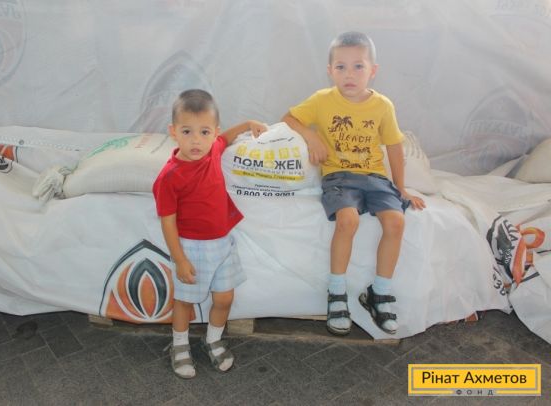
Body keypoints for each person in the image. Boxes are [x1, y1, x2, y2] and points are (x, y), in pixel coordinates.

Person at [282, 32, 426, 336]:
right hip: (339, 177)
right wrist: (312, 136)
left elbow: (394, 146)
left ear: (373, 70)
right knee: (347, 220)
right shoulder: (322, 100)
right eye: (341, 67)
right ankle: (337, 292)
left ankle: (379, 292)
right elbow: (289, 119)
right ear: (330, 71)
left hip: (374, 178)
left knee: (396, 221)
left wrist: (401, 187)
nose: (349, 74)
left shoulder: (383, 105)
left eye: (358, 66)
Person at [153, 89, 266, 379]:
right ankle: (180, 344)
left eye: (204, 132)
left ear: (213, 132)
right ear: (173, 132)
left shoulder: (214, 149)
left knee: (225, 298)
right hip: (191, 248)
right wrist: (180, 260)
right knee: (185, 301)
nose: (196, 140)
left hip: (223, 244)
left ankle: (213, 339)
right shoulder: (169, 177)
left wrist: (248, 123)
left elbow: (225, 138)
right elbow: (167, 222)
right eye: (187, 131)